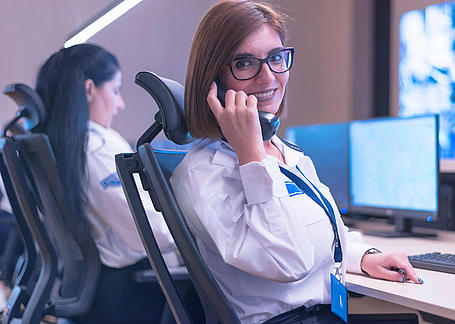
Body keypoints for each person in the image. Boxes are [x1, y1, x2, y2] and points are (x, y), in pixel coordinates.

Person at [170, 1, 423, 323]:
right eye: (245, 63)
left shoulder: (287, 153)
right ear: (214, 80)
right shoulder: (204, 173)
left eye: (276, 58)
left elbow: (326, 233)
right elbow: (288, 261)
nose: (268, 77)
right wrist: (251, 159)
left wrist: (365, 256)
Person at [35, 43, 175, 324]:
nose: (120, 104)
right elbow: (152, 233)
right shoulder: (97, 145)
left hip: (96, 293)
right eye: (115, 90)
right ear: (89, 90)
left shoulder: (58, 144)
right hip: (131, 296)